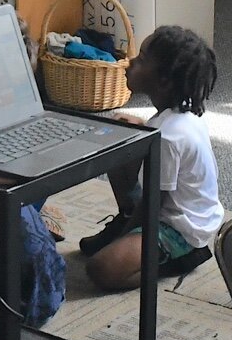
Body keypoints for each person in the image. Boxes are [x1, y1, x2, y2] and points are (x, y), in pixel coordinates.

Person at [82, 26, 223, 291]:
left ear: (164, 80)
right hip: (166, 209)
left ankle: (175, 260)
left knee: (100, 269)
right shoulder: (176, 117)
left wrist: (122, 242)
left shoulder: (169, 138)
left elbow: (153, 204)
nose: (132, 62)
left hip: (181, 228)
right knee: (120, 134)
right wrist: (140, 127)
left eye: (143, 60)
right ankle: (127, 218)